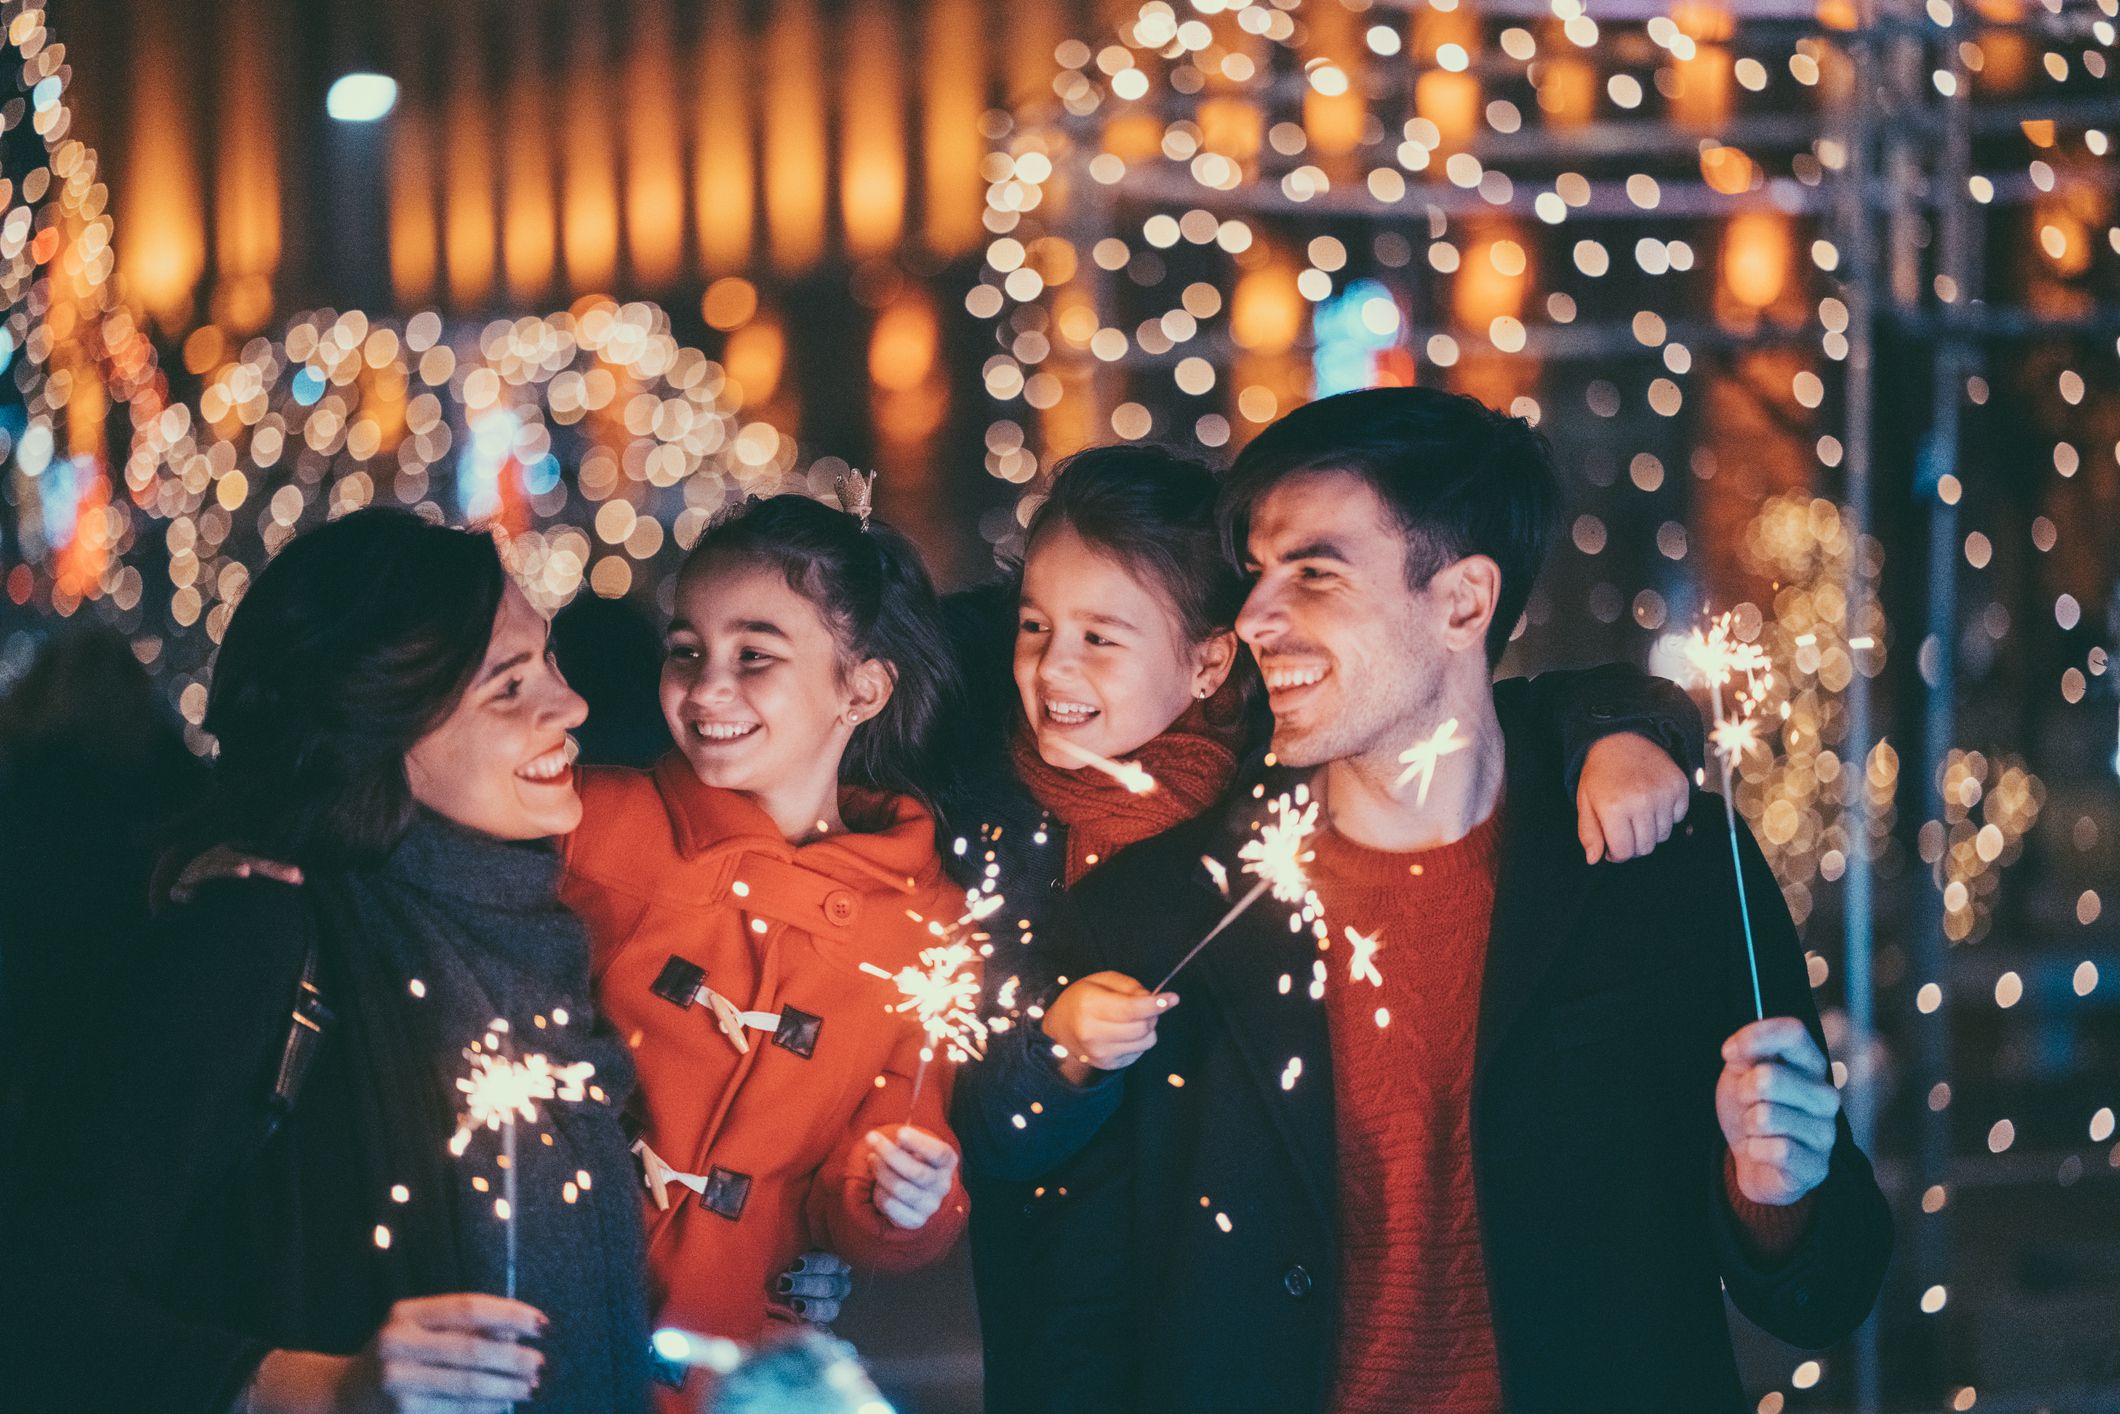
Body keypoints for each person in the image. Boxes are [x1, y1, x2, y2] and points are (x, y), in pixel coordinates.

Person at [1025, 388, 1892, 1411]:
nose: (1256, 616)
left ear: (1462, 603)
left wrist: (1774, 1193)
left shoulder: (1668, 864)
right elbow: (1078, 1310)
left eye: (1314, 571)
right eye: (1256, 574)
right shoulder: (1159, 909)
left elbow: (1822, 1293)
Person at [938, 445, 1708, 1408]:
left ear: (1211, 657)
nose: (1054, 665)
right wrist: (1057, 1053)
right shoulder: (977, 796)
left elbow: (1478, 705)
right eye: (1035, 626)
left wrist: (1627, 725)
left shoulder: (1285, 764)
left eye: (1102, 636)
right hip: (1066, 1318)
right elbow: (985, 1103)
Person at [2, 508, 649, 1413]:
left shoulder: (541, 928)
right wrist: (318, 1388)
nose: (569, 705)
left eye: (547, 660)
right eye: (508, 689)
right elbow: (36, 1301)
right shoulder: (258, 941)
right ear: (378, 731)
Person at [555, 492, 971, 1412]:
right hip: (553, 1328)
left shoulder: (926, 921)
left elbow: (881, 1149)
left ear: (861, 688)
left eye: (755, 657)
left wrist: (901, 1196)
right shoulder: (588, 822)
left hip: (734, 1367)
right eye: (685, 650)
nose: (707, 689)